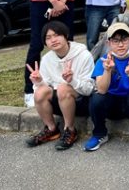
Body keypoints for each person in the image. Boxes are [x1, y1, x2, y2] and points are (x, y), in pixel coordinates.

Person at [25, 21, 94, 150]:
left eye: (56, 35)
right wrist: (39, 81)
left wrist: (72, 80)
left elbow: (89, 90)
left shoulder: (84, 55)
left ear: (66, 35)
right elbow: (46, 87)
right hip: (59, 102)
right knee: (40, 92)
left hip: (82, 101)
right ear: (45, 43)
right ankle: (51, 129)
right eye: (48, 37)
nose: (53, 40)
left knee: (63, 88)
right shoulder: (47, 59)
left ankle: (70, 130)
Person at [84, 22, 129, 151]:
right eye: (115, 41)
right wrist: (107, 71)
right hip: (112, 106)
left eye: (124, 40)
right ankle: (99, 133)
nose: (121, 45)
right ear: (108, 43)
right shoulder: (103, 60)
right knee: (96, 97)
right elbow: (102, 89)